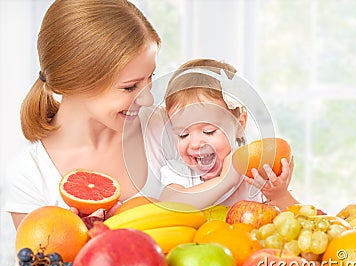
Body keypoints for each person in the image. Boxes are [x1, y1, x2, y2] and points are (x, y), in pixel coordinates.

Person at [2, 0, 176, 229]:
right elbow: (37, 262)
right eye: (130, 87)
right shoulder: (31, 176)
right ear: (77, 83)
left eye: (150, 77)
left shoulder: (168, 129)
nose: (148, 99)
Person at [158, 58, 300, 210]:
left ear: (240, 124)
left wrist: (279, 195)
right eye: (183, 134)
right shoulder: (179, 171)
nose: (194, 144)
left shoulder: (253, 170)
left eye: (209, 131)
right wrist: (224, 180)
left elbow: (301, 220)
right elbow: (169, 206)